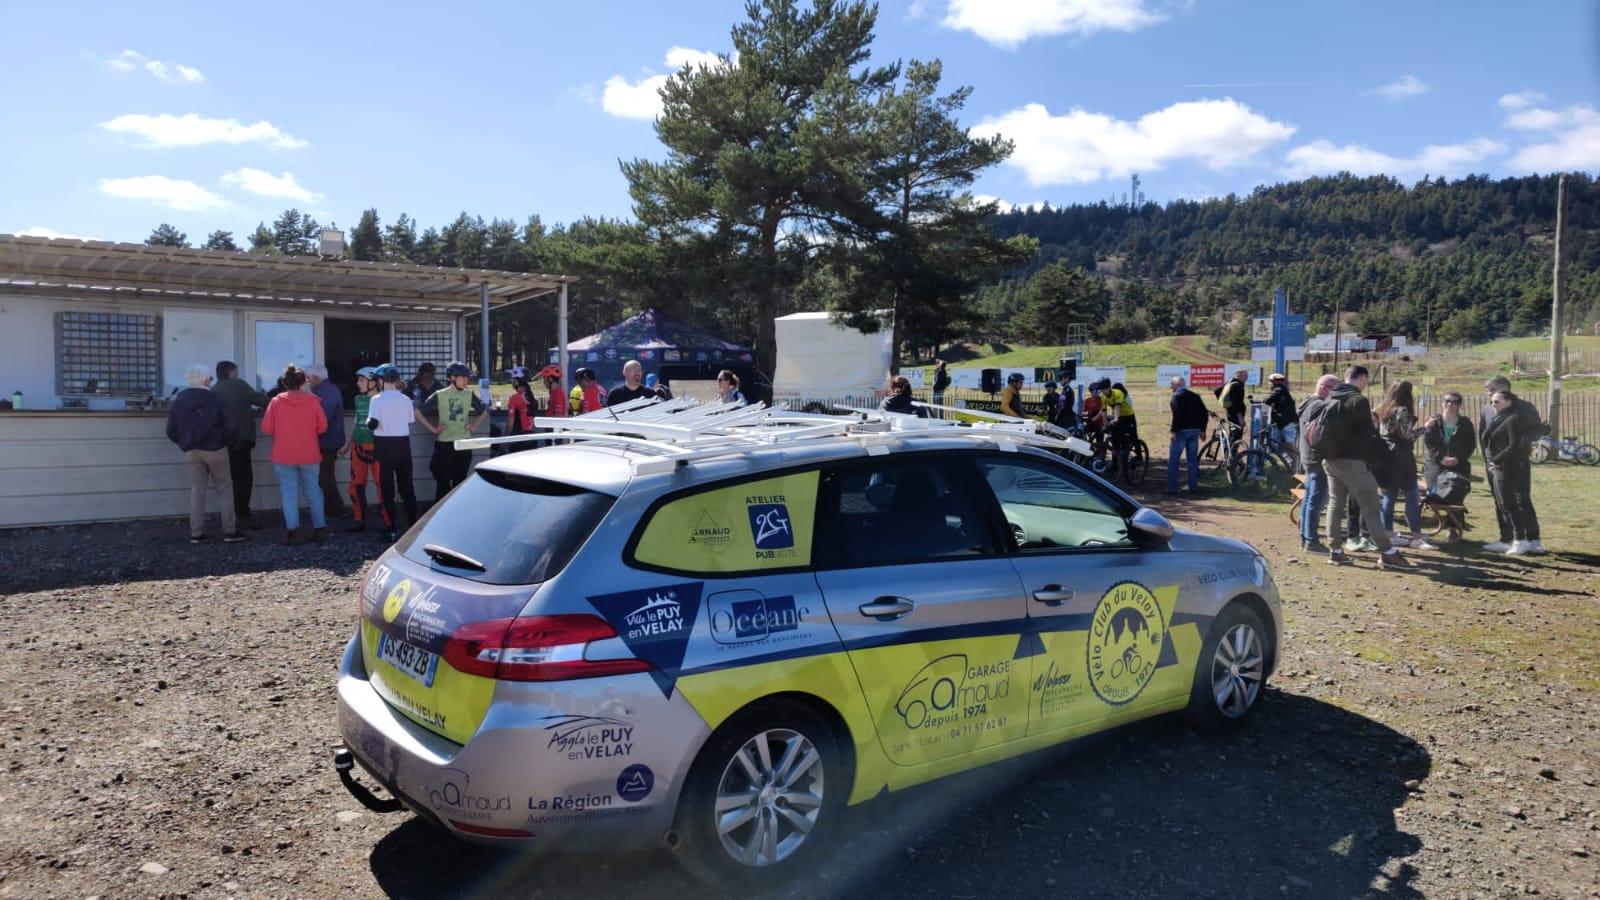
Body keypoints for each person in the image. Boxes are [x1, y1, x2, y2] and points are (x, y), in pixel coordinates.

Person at [1321, 365, 1411, 568]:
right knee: (1371, 506)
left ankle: (1335, 550)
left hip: (1330, 459)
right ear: (1362, 378)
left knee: (1336, 504)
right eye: (1366, 381)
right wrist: (1381, 458)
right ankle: (1388, 552)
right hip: (1353, 461)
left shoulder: (1330, 397)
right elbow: (1368, 434)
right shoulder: (1358, 400)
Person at [166, 364, 243, 544]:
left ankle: (196, 533)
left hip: (192, 450)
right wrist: (226, 442)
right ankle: (230, 532)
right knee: (224, 489)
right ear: (207, 379)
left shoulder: (180, 399)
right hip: (216, 449)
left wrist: (185, 443)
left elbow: (171, 430)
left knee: (197, 491)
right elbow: (231, 425)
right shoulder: (216, 398)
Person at [260, 365, 329, 546]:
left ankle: (293, 532)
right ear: (303, 383)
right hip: (309, 454)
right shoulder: (313, 401)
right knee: (313, 492)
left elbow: (266, 428)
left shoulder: (276, 402)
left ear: (284, 383)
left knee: (289, 493)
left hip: (283, 455)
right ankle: (320, 529)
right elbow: (323, 427)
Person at [1479, 376, 1545, 554]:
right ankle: (1507, 538)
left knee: (1521, 499)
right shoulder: (1487, 409)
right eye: (1488, 390)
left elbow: (1538, 430)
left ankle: (1533, 539)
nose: (1489, 393)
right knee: (1501, 500)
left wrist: (1521, 443)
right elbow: (1484, 436)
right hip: (1494, 464)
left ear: (1505, 388)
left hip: (1518, 461)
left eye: (1492, 389)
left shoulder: (1524, 407)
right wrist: (1489, 460)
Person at [368, 364, 429, 542]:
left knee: (387, 490)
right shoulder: (406, 400)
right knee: (407, 488)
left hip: (383, 446)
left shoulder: (376, 400)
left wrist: (369, 421)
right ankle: (412, 526)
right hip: (403, 446)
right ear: (396, 381)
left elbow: (373, 423)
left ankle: (391, 529)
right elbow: (410, 421)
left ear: (381, 381)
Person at [1374, 381, 1434, 550]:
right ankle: (1416, 535)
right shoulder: (1402, 410)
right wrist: (1426, 428)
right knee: (1412, 495)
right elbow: (1407, 435)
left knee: (1388, 497)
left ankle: (1388, 533)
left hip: (1386, 456)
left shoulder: (1383, 408)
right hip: (1401, 458)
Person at [212, 360, 269, 529]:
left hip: (221, 442)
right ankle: (242, 515)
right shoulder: (239, 385)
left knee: (227, 480)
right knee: (244, 478)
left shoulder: (213, 390)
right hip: (240, 439)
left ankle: (229, 517)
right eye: (235, 372)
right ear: (231, 372)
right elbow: (263, 401)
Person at [420, 361, 485, 499]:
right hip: (445, 444)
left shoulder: (469, 393)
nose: (466, 380)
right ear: (452, 378)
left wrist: (473, 427)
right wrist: (433, 429)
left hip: (464, 443)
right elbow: (418, 411)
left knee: (459, 482)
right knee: (442, 482)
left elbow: (484, 411)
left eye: (467, 377)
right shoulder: (440, 394)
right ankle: (440, 514)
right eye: (463, 377)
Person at [1422, 390, 1475, 543]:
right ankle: (1437, 519)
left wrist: (1457, 459)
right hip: (1435, 464)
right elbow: (1429, 442)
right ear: (1442, 403)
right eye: (1447, 401)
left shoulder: (1465, 423)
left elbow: (1470, 445)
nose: (1450, 404)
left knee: (1455, 492)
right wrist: (1441, 458)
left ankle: (1453, 528)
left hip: (1458, 465)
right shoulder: (1434, 422)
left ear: (1459, 405)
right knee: (1435, 492)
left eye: (1454, 402)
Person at [1296, 374, 1340, 552]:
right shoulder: (1317, 405)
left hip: (1310, 457)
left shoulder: (1309, 403)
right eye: (1335, 390)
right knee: (1315, 500)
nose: (1336, 395)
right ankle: (1311, 540)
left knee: (1309, 500)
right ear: (1324, 387)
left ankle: (1306, 538)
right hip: (1316, 459)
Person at [344, 367, 390, 534]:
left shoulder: (383, 400)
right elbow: (357, 423)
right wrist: (347, 445)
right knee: (355, 484)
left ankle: (387, 521)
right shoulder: (358, 399)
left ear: (373, 382)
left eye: (362, 380)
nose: (358, 383)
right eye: (358, 380)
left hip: (377, 447)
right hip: (358, 446)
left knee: (381, 485)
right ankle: (358, 519)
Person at [306, 365, 348, 519]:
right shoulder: (328, 390)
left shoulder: (326, 392)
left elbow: (323, 419)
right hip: (330, 440)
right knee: (325, 476)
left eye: (309, 377)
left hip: (327, 441)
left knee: (325, 477)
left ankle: (335, 508)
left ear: (316, 378)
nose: (307, 381)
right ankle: (333, 508)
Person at [1166, 375, 1208, 494]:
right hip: (1194, 431)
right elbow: (1204, 413)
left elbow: (1177, 415)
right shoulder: (1195, 396)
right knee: (1192, 461)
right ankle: (1193, 487)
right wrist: (1202, 429)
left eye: (1172, 384)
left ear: (1177, 385)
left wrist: (1173, 431)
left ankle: (1172, 488)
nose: (1171, 387)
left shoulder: (1176, 397)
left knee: (1174, 461)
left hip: (1181, 432)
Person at [1266, 373, 1299, 462]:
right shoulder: (1283, 391)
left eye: (1270, 382)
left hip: (1287, 423)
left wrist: (1259, 401)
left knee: (1288, 444)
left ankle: (1299, 463)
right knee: (1283, 445)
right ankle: (1291, 462)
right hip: (1286, 422)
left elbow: (1268, 401)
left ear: (1273, 383)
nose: (1269, 384)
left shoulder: (1278, 390)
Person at [1215, 368, 1249, 434]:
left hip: (1230, 413)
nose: (1246, 378)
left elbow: (1217, 391)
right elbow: (1237, 403)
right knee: (1236, 436)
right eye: (1245, 376)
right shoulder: (1238, 386)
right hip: (1236, 415)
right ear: (1239, 376)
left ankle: (1229, 444)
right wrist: (1240, 418)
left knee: (1233, 433)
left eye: (1246, 376)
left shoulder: (1230, 382)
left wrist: (1226, 404)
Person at [506, 366, 538, 436]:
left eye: (513, 380)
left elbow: (510, 424)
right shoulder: (532, 398)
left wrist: (506, 437)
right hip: (532, 436)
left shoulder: (515, 398)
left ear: (517, 382)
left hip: (518, 437)